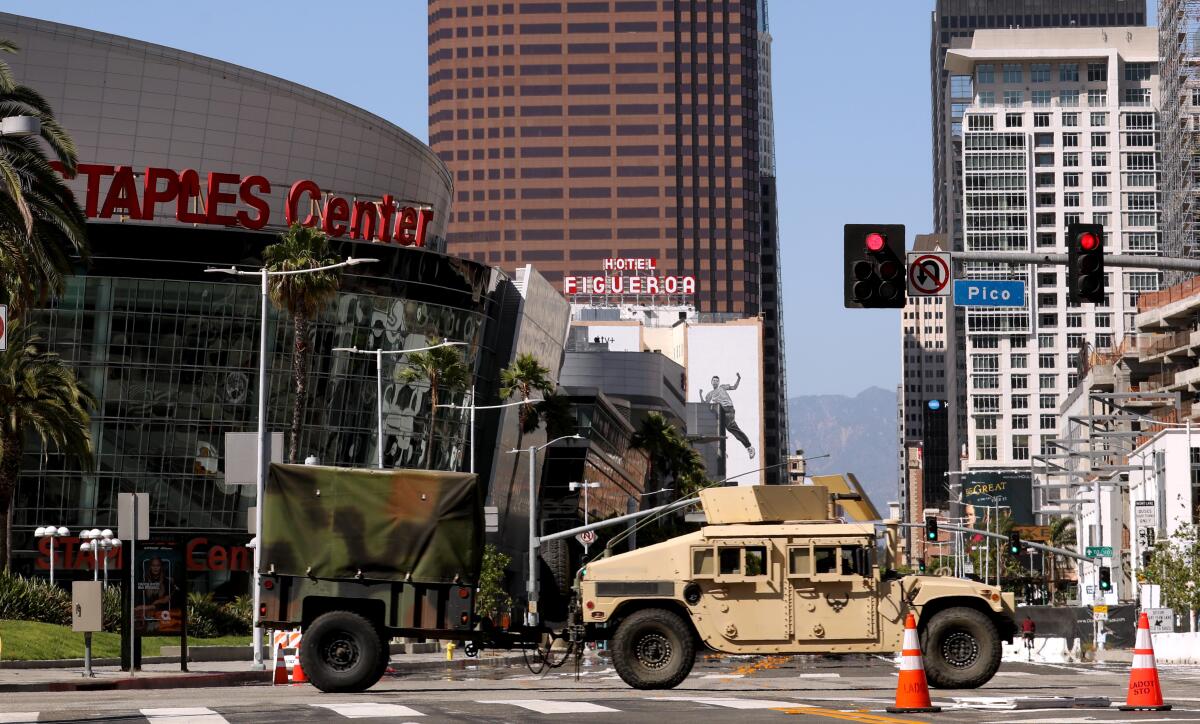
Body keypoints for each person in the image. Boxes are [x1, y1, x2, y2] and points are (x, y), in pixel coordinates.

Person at [701, 373, 755, 459]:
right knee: (721, 429)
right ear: (711, 382)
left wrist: (739, 379)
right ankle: (723, 450)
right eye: (714, 381)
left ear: (718, 382)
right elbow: (704, 403)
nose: (715, 382)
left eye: (716, 381)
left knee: (732, 428)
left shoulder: (722, 387)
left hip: (728, 409)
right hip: (720, 411)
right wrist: (700, 394)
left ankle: (749, 447)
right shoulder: (710, 394)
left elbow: (734, 387)